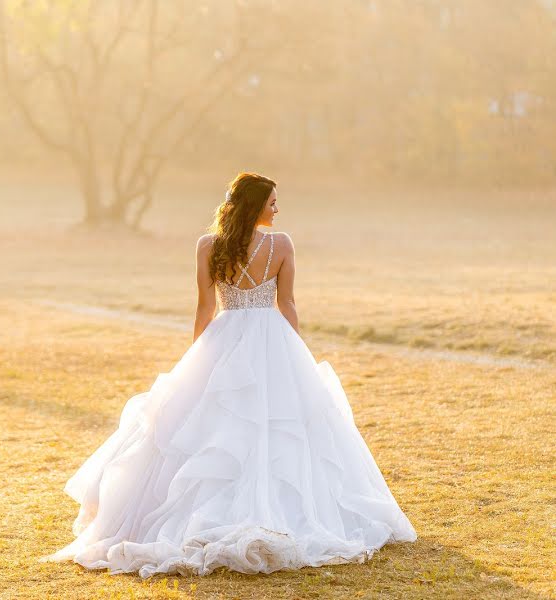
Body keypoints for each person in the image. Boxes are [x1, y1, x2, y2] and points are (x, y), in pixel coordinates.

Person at [42, 173, 417, 577]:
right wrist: (297, 353)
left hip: (225, 335)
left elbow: (205, 308)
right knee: (280, 427)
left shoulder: (208, 246)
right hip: (273, 339)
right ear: (254, 205)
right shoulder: (282, 244)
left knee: (213, 426)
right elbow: (287, 303)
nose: (277, 208)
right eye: (272, 201)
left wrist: (198, 357)